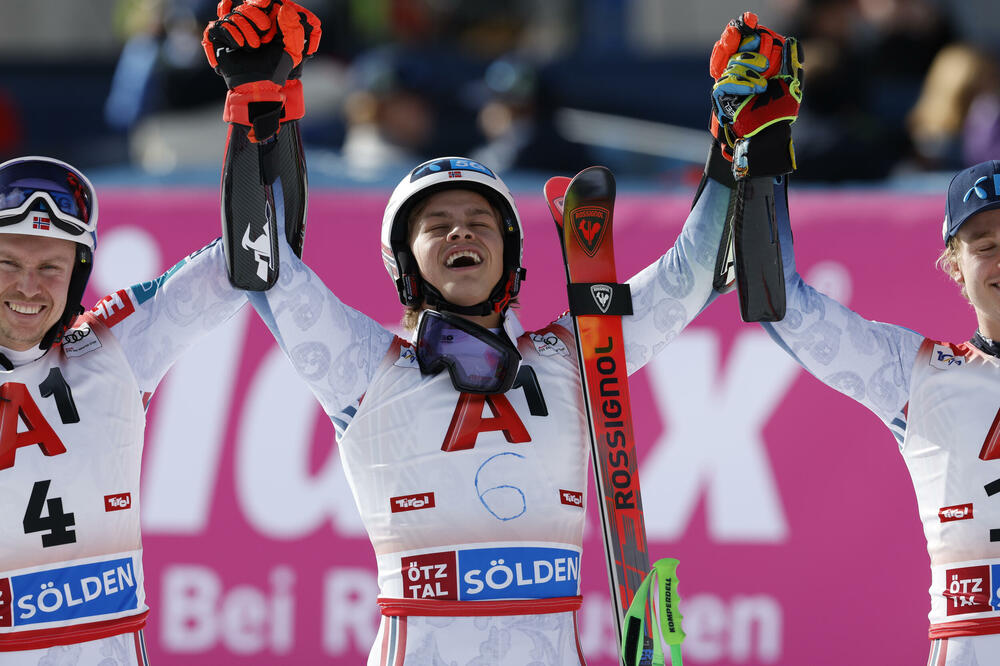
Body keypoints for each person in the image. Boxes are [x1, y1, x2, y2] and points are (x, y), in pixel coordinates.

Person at [201, 2, 806, 662]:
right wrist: (261, 102)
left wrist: (736, 143)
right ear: (404, 264)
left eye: (479, 222)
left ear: (511, 256)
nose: (460, 230)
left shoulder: (577, 354)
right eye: (437, 225)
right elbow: (263, 266)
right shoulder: (363, 364)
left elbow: (696, 273)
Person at [709, 11, 1000, 665]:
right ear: (953, 267)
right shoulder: (921, 374)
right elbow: (776, 302)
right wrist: (759, 147)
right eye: (985, 244)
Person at [0, 157, 246, 665]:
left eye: (50, 268)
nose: (28, 288)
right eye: (7, 264)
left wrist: (258, 119)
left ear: (77, 274)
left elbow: (254, 257)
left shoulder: (110, 349)